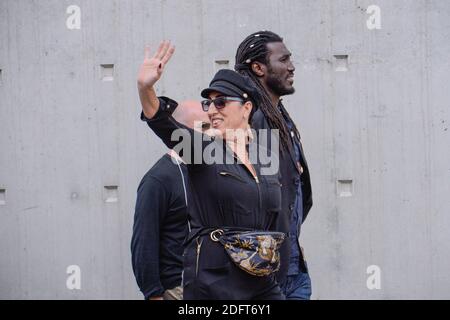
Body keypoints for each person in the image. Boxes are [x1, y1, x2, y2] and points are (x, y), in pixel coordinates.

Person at [136, 41, 286, 300]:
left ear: (246, 107)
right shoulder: (203, 149)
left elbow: (277, 216)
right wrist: (145, 88)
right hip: (214, 282)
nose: (212, 110)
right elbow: (162, 123)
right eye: (209, 104)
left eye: (221, 102)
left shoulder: (265, 155)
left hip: (260, 278)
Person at [235, 31, 313, 300]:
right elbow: (255, 195)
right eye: (284, 60)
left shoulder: (278, 116)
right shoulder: (255, 119)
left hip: (290, 264)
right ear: (258, 68)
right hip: (269, 272)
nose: (292, 66)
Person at [131, 101, 211, 300]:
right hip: (178, 290)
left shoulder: (210, 171)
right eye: (204, 127)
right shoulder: (158, 179)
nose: (213, 134)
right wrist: (153, 294)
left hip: (212, 286)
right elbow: (144, 241)